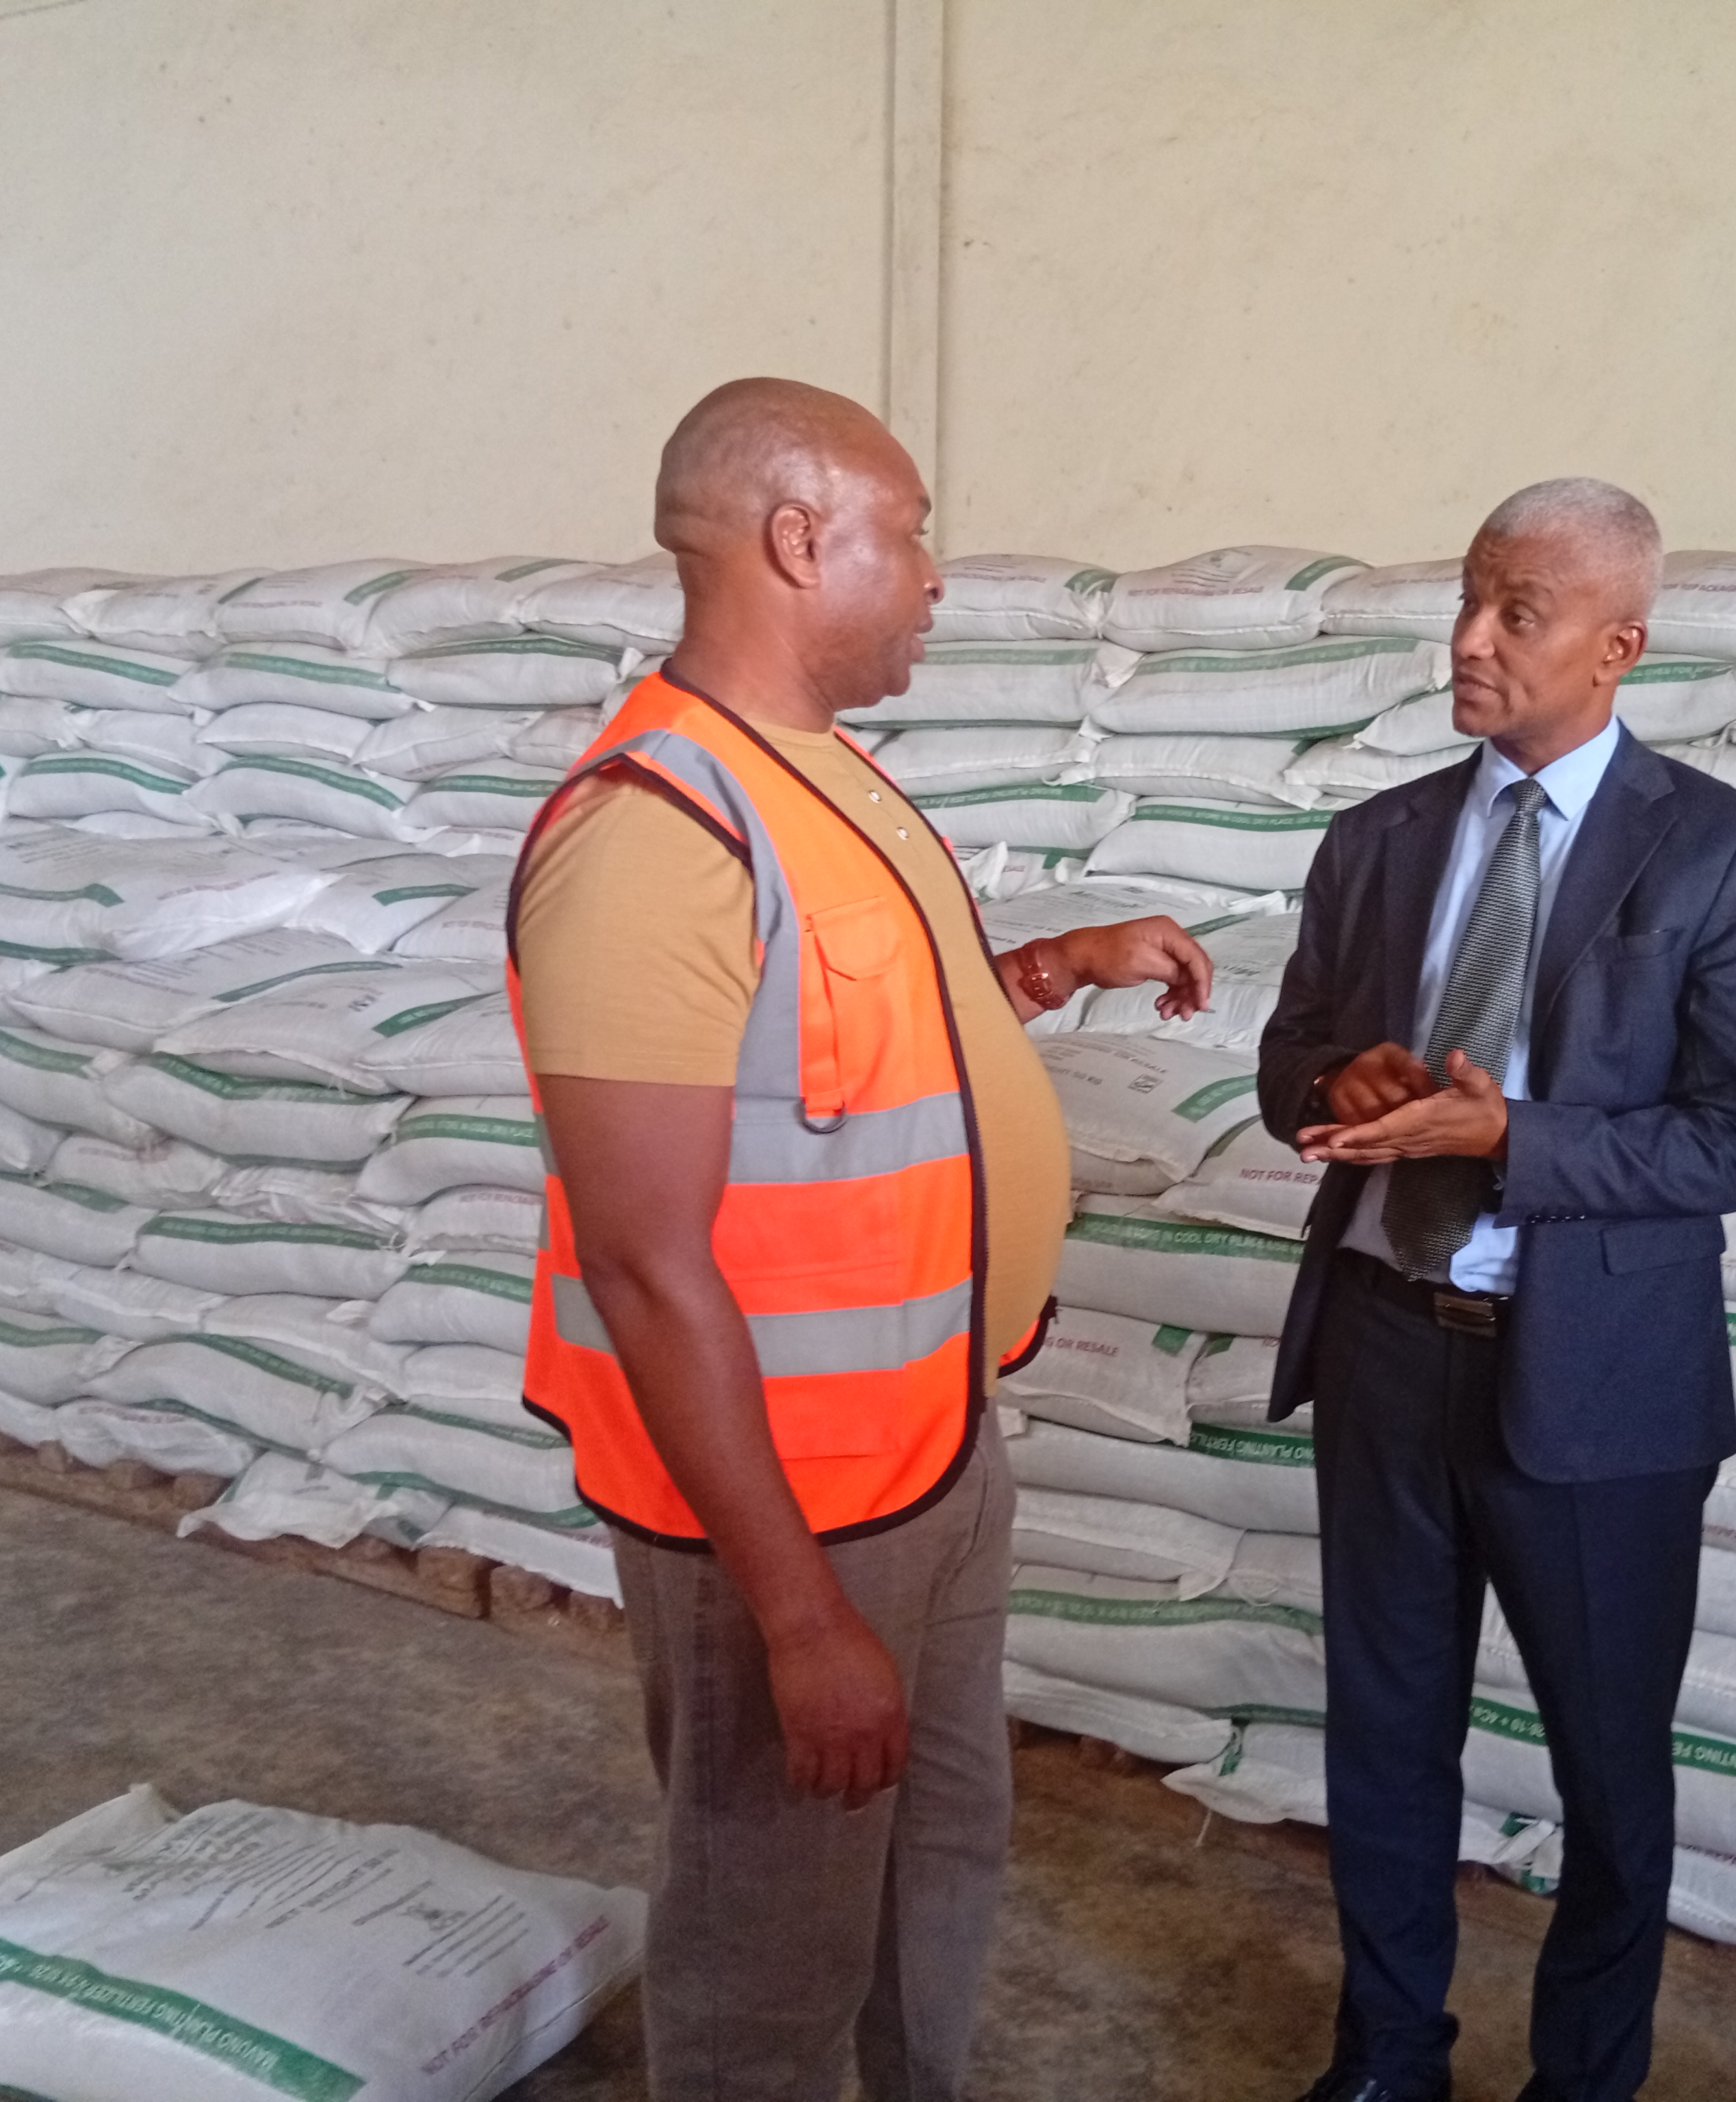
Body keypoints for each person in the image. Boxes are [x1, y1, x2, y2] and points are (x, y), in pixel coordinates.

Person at [510, 376, 1211, 2102]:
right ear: (797, 537)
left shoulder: (825, 780)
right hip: (782, 1515)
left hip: (928, 1455)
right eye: (908, 536)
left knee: (931, 1867)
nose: (934, 577)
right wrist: (802, 1616)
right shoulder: (658, 836)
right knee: (772, 1941)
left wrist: (1056, 965)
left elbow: (875, 1065)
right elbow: (648, 1265)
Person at [1255, 478, 1736, 2102]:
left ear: (1619, 646)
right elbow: (1288, 1050)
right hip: (1381, 1353)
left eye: (1520, 613)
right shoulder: (1378, 841)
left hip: (1593, 1385)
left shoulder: (1719, 852)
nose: (1471, 641)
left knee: (1612, 1781)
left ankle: (1583, 2082)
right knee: (1387, 1738)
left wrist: (1519, 1140)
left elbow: (1733, 1140)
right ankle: (1386, 2061)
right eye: (1470, 600)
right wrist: (1340, 1078)